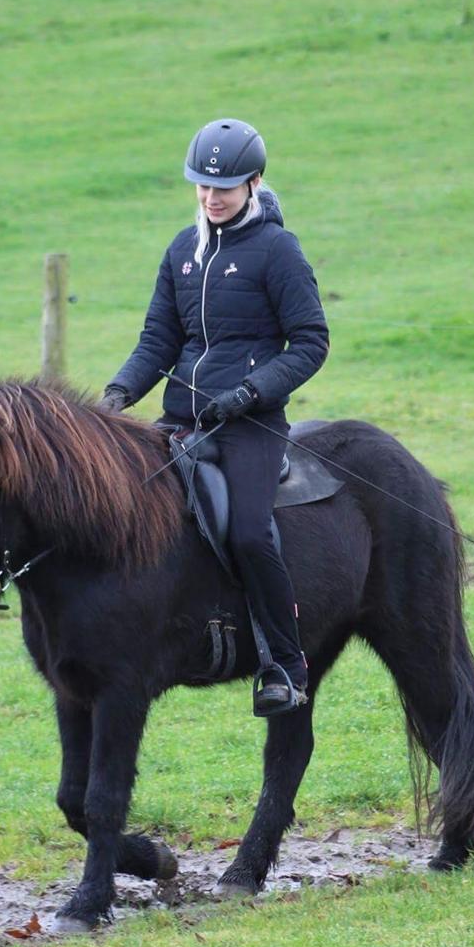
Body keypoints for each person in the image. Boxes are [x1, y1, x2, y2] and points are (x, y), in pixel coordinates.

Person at [101, 118, 329, 715]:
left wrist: (252, 393)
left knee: (250, 532)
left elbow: (310, 342)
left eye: (223, 187)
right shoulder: (183, 250)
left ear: (254, 182)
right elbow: (158, 338)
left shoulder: (278, 250)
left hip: (249, 426)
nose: (211, 197)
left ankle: (285, 661)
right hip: (181, 422)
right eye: (202, 185)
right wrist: (119, 393)